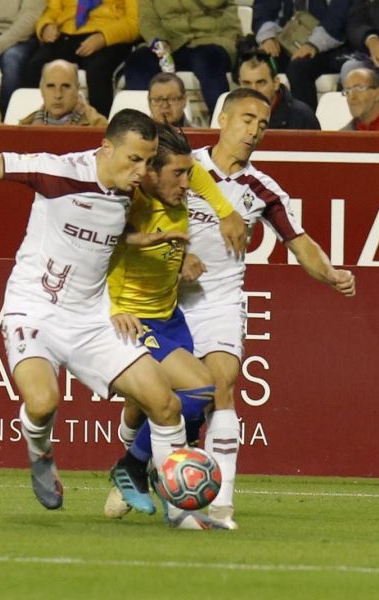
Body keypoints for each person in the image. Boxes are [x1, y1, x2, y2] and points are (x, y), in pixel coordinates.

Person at [0, 110, 244, 515]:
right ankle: (40, 451)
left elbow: (121, 227)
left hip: (92, 319)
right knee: (43, 402)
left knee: (165, 404)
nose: (142, 171)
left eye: (148, 162)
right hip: (36, 310)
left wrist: (154, 239)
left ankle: (181, 514)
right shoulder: (57, 172)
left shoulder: (129, 191)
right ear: (106, 148)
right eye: (134, 160)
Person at [178, 88, 356, 528]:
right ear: (222, 118)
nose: (254, 130)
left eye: (262, 124)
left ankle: (221, 504)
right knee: (155, 402)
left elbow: (300, 242)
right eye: (246, 119)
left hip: (219, 302)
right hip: (167, 303)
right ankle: (131, 463)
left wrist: (330, 274)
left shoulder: (263, 189)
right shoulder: (182, 167)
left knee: (222, 384)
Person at [102, 125, 245, 529]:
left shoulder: (183, 175)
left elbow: (205, 183)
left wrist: (225, 212)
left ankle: (172, 498)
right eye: (178, 175)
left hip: (169, 316)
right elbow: (100, 249)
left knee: (182, 414)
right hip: (131, 317)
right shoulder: (129, 199)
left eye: (189, 173)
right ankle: (133, 465)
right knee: (200, 388)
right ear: (150, 173)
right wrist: (111, 306)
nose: (188, 182)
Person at [22, 0, 138, 117]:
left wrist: (104, 37)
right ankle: (35, 126)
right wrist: (46, 26)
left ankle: (100, 128)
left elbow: (135, 22)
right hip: (67, 34)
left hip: (110, 37)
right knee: (36, 65)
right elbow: (52, 11)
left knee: (97, 71)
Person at [125, 0, 241, 116]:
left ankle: (221, 122)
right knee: (138, 61)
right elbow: (148, 20)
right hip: (172, 41)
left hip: (213, 38)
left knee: (207, 61)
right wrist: (160, 41)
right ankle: (140, 123)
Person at [251, 0, 353, 110]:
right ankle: (259, 117)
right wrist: (267, 37)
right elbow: (262, 9)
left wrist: (313, 44)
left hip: (330, 47)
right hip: (285, 41)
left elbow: (338, 19)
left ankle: (305, 123)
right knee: (256, 61)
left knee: (298, 68)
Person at [236, 51, 320, 129]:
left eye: (261, 83)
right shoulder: (232, 115)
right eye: (247, 83)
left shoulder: (302, 117)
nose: (253, 90)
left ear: (276, 83)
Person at [19, 60, 108, 126]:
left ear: (77, 89)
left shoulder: (98, 126)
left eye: (66, 86)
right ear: (42, 90)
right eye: (51, 86)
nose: (58, 95)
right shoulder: (26, 125)